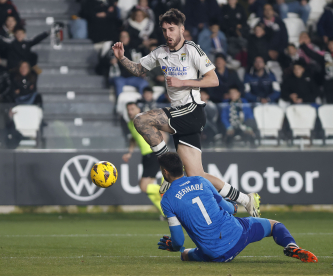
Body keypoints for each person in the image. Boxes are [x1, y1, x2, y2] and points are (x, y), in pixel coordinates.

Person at [112, 8, 261, 217]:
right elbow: (139, 69)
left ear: (182, 29)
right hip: (180, 114)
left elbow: (213, 79)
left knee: (141, 120)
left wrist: (184, 82)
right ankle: (246, 199)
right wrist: (122, 58)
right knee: (196, 175)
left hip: (191, 111)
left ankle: (166, 171)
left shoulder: (192, 49)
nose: (168, 34)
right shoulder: (160, 52)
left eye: (171, 29)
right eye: (164, 30)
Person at [157, 152, 318, 263]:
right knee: (274, 225)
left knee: (185, 254)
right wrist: (234, 207)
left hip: (214, 254)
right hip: (239, 234)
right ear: (182, 167)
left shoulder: (167, 200)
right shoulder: (201, 181)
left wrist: (174, 247)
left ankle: (196, 254)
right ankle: (292, 247)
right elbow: (227, 208)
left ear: (165, 172)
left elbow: (178, 241)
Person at [122, 102, 163, 217]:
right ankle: (165, 212)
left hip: (153, 153)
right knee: (148, 188)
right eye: (128, 109)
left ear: (138, 109)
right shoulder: (131, 124)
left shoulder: (143, 119)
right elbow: (134, 139)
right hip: (147, 156)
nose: (130, 111)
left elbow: (160, 130)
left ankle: (166, 192)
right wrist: (130, 152)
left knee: (143, 186)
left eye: (132, 109)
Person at [110, 30, 148, 95]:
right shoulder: (114, 48)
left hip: (133, 77)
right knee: (118, 82)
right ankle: (119, 104)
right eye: (122, 36)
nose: (124, 38)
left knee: (144, 83)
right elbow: (104, 61)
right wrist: (111, 61)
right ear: (119, 38)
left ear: (129, 38)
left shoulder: (135, 49)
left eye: (126, 36)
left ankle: (142, 103)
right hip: (119, 77)